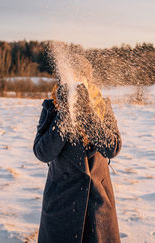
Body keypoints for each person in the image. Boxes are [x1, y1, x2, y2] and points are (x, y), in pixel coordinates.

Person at [33, 61, 122, 242]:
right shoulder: (52, 108)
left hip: (97, 203)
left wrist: (86, 114)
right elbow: (43, 153)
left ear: (88, 82)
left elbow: (111, 148)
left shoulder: (102, 107)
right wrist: (65, 115)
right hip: (61, 203)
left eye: (80, 81)